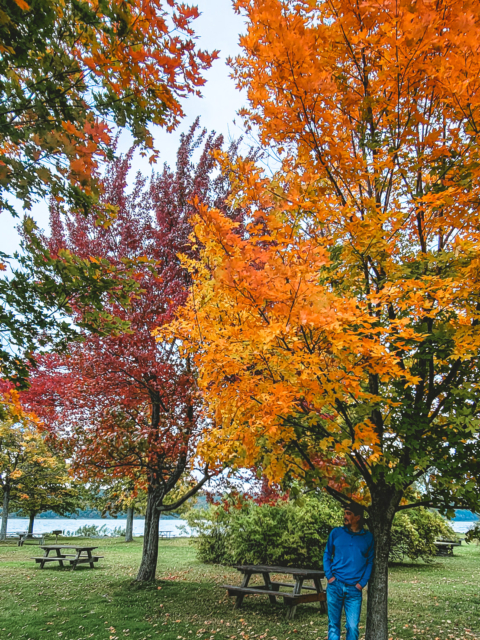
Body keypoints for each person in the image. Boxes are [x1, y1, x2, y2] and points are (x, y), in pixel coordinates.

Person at [323, 503, 375, 640]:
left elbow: (370, 562)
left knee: (352, 627)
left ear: (358, 517)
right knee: (333, 626)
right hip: (335, 586)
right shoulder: (336, 533)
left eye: (348, 514)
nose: (345, 516)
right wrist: (330, 577)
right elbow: (327, 555)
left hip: (354, 590)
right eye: (345, 513)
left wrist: (361, 583)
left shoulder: (368, 537)